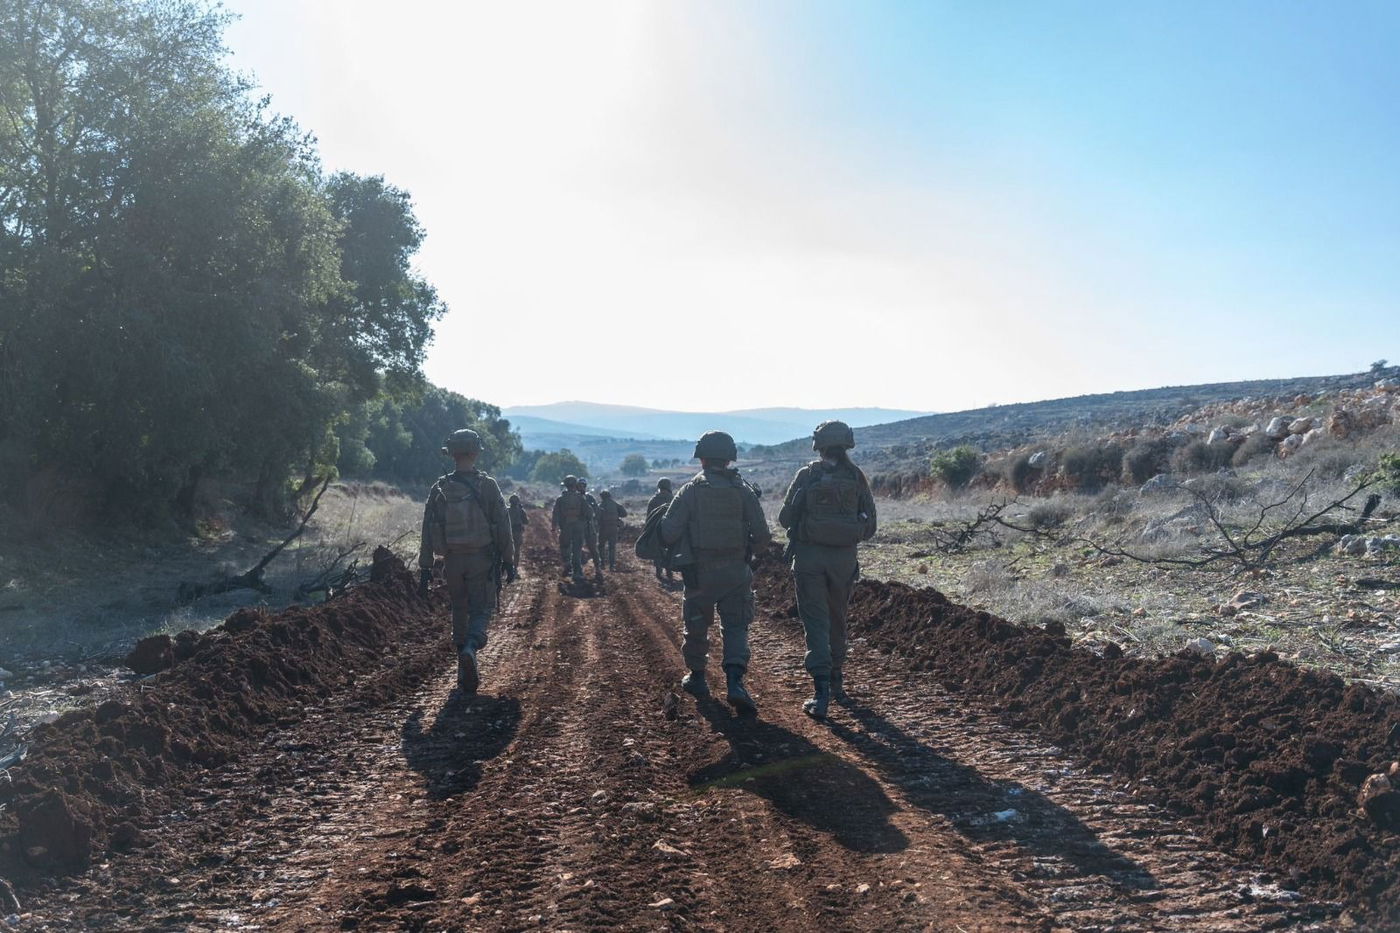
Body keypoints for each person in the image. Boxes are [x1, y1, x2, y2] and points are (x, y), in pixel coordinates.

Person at [661, 431, 771, 713]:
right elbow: (762, 536)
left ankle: (698, 678)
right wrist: (747, 556)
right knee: (735, 626)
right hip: (736, 570)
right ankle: (735, 682)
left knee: (696, 623)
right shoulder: (743, 491)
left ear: (703, 459)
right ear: (729, 459)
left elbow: (668, 531)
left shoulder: (690, 491)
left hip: (699, 572)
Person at [778, 421, 877, 719]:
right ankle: (836, 680)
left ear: (818, 445)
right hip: (843, 562)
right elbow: (870, 527)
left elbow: (784, 518)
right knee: (838, 619)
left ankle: (820, 693)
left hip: (809, 560)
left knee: (816, 624)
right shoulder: (856, 477)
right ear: (847, 445)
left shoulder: (807, 475)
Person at [418, 428, 515, 694]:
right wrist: (509, 560)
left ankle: (464, 667)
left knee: (459, 608)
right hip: (481, 559)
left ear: (451, 453)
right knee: (481, 609)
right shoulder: (488, 485)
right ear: (475, 452)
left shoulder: (439, 487)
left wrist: (425, 567)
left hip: (452, 561)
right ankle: (472, 646)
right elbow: (503, 525)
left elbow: (427, 529)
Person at [551, 475, 589, 583]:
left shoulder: (560, 499)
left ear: (566, 485)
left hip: (566, 527)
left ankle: (567, 562)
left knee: (564, 546)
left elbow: (556, 514)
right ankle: (577, 572)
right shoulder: (581, 498)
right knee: (577, 550)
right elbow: (588, 513)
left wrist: (554, 527)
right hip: (578, 526)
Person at [647, 478, 675, 582]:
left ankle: (659, 571)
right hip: (670, 528)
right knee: (670, 549)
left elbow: (648, 518)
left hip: (656, 529)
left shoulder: (653, 500)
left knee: (657, 549)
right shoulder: (673, 499)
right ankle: (669, 571)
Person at [594, 489, 627, 571]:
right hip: (613, 528)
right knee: (612, 547)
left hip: (603, 528)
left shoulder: (600, 505)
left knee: (601, 546)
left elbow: (597, 518)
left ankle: (602, 564)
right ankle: (612, 566)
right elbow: (624, 514)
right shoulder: (615, 504)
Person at [577, 477, 603, 576]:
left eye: (583, 485)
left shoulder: (589, 498)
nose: (581, 487)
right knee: (576, 549)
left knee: (593, 549)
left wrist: (594, 520)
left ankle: (598, 568)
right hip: (578, 527)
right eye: (579, 485)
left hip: (589, 526)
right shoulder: (575, 498)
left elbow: (596, 511)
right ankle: (577, 570)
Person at [507, 493, 528, 570]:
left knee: (507, 550)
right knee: (517, 551)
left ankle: (507, 567)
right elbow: (526, 522)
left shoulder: (506, 510)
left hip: (508, 532)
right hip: (517, 532)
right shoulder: (520, 511)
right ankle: (515, 568)